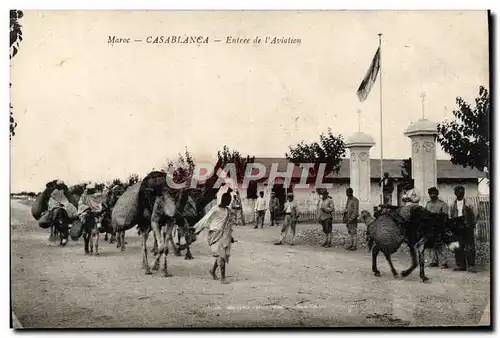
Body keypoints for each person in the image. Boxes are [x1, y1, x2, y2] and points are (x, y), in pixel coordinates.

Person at [194, 191, 235, 284]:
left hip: (225, 236)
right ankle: (223, 278)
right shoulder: (215, 209)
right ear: (224, 200)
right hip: (215, 234)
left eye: (230, 200)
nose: (229, 202)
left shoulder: (228, 211)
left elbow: (228, 225)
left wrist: (230, 236)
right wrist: (197, 229)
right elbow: (205, 219)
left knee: (222, 255)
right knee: (222, 256)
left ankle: (212, 271)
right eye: (228, 200)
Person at [450, 185, 477, 273]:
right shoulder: (452, 204)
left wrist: (472, 224)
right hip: (457, 227)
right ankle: (461, 265)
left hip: (467, 227)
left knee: (469, 246)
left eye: (462, 191)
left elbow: (475, 214)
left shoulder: (469, 203)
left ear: (464, 193)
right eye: (458, 191)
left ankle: (471, 265)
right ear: (455, 193)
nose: (460, 193)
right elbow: (450, 216)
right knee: (458, 246)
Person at [424, 187, 450, 268]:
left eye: (434, 193)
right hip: (430, 227)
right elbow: (425, 215)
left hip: (439, 226)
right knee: (431, 244)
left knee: (440, 244)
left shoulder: (442, 204)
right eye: (431, 193)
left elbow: (445, 216)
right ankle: (433, 261)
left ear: (437, 194)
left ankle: (444, 262)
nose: (432, 195)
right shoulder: (428, 204)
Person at [78, 183, 105, 255]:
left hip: (96, 212)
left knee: (102, 218)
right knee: (84, 221)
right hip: (87, 212)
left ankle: (103, 228)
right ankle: (84, 231)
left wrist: (99, 209)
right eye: (90, 190)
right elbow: (80, 204)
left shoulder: (97, 196)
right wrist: (87, 208)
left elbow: (101, 202)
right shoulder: (83, 196)